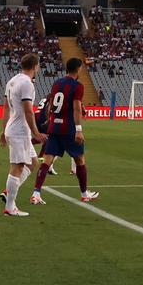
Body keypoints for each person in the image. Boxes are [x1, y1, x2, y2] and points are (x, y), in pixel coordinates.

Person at [31, 57, 97, 203]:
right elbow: (76, 108)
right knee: (80, 160)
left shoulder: (56, 83)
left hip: (54, 127)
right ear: (78, 69)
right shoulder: (78, 86)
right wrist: (79, 130)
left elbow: (51, 105)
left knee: (47, 160)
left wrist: (50, 119)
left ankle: (36, 193)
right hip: (68, 129)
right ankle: (85, 193)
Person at [0, 52, 42, 217]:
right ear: (35, 66)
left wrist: (3, 131)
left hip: (14, 128)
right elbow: (28, 110)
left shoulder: (13, 80)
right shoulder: (27, 84)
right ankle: (10, 207)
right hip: (19, 131)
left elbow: (5, 108)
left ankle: (8, 192)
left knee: (32, 163)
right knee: (17, 167)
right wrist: (36, 133)